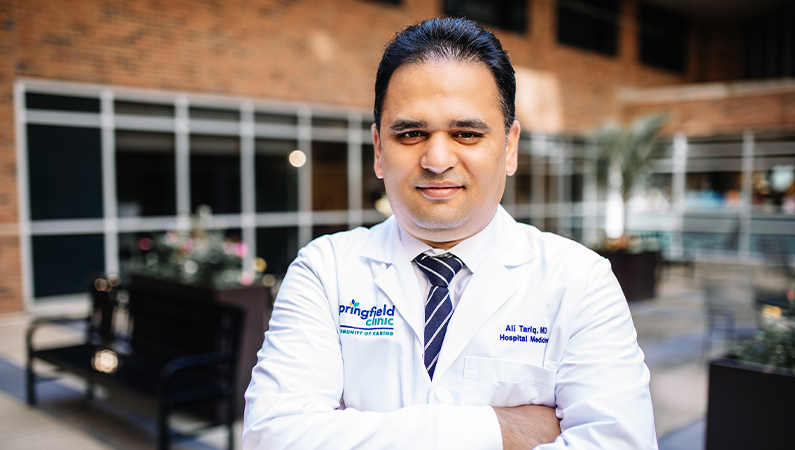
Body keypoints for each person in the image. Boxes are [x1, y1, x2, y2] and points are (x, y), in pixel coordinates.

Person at [243, 17, 657, 450]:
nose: (437, 159)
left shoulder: (580, 280)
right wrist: (501, 430)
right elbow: (271, 437)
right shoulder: (324, 270)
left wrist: (347, 431)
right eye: (411, 133)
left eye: (466, 133)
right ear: (379, 150)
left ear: (509, 147)